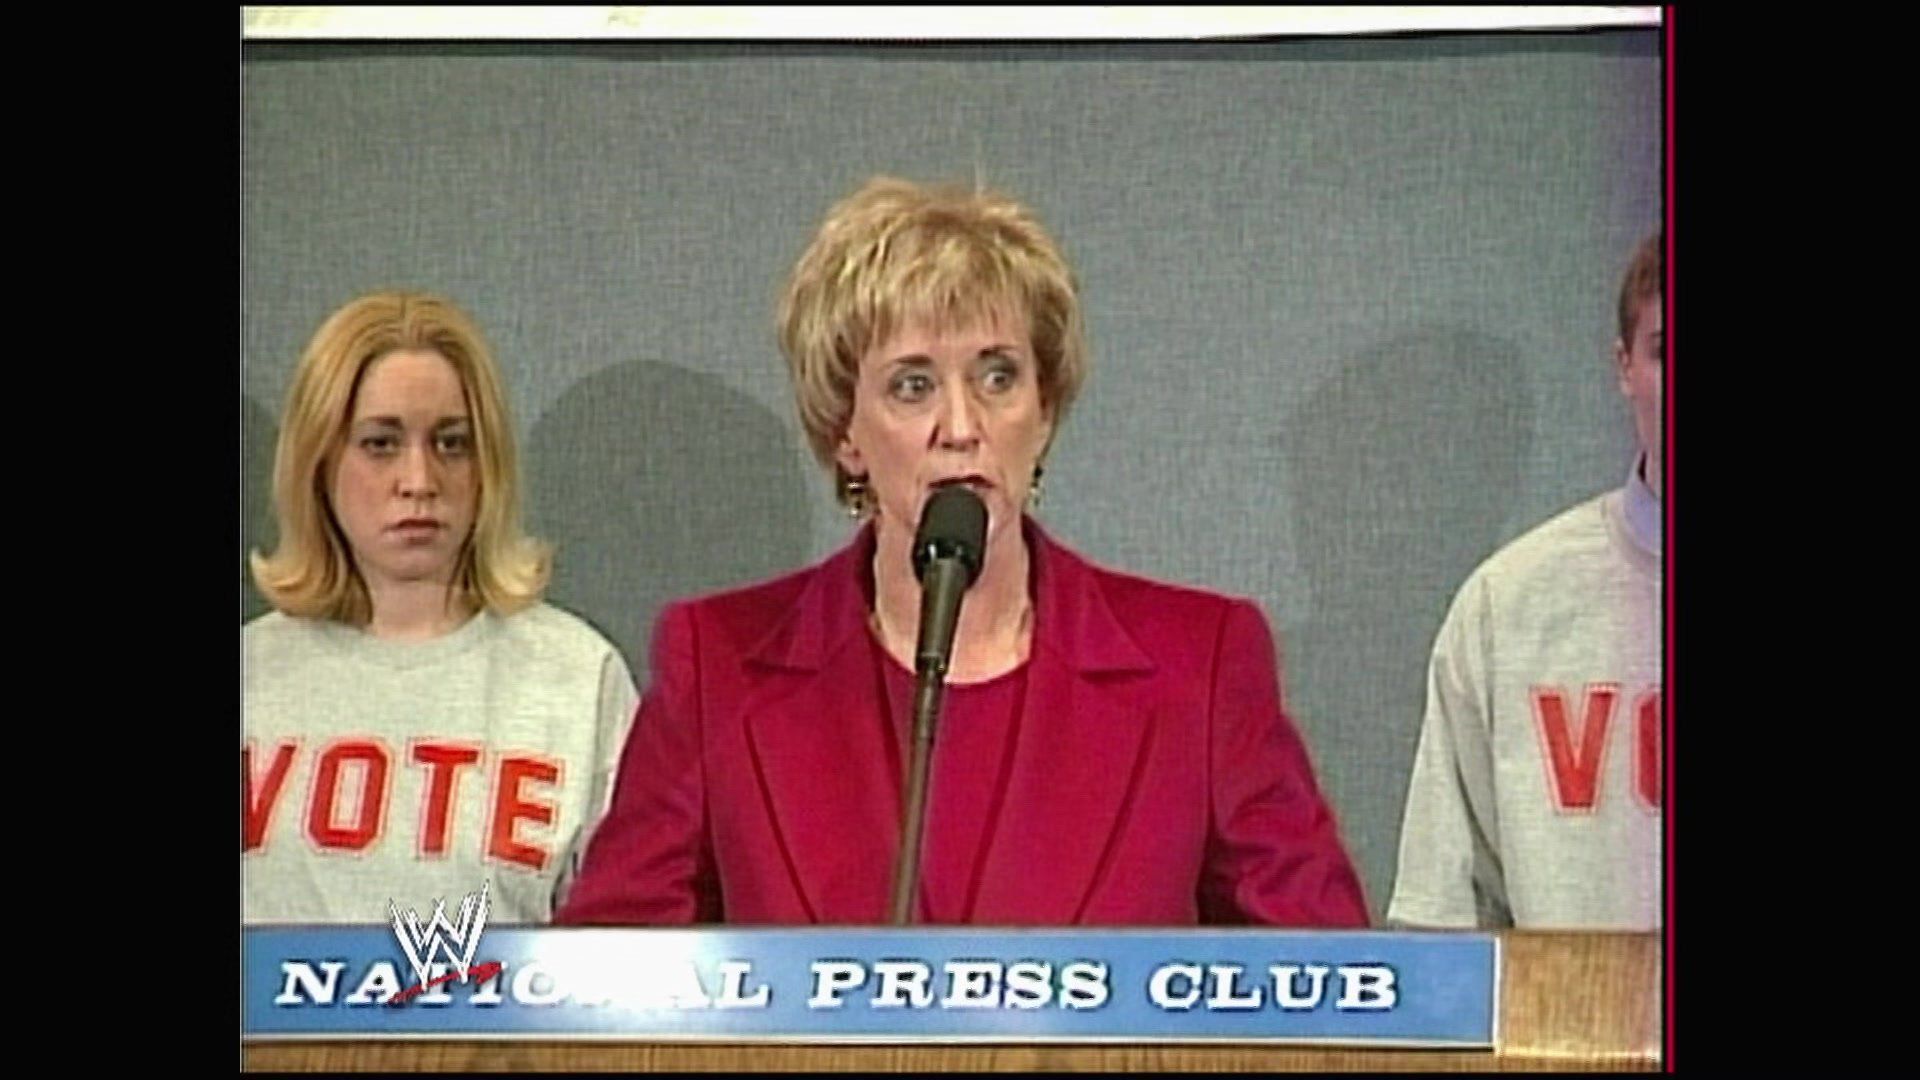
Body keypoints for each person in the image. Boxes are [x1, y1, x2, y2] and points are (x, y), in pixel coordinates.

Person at [556, 177, 1367, 926]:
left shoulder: (1200, 665)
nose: (962, 425)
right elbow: (603, 992)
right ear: (845, 432)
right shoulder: (721, 666)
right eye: (913, 385)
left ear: (1044, 409)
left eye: (997, 377)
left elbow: (1335, 987)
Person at [242, 290, 639, 923]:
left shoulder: (578, 678)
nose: (420, 481)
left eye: (452, 444)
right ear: (317, 461)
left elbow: (621, 952)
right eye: (380, 444)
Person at [1387, 232, 1664, 929]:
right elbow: (1442, 927)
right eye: (1666, 352)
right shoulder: (1507, 608)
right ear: (1624, 366)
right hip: (1566, 1029)